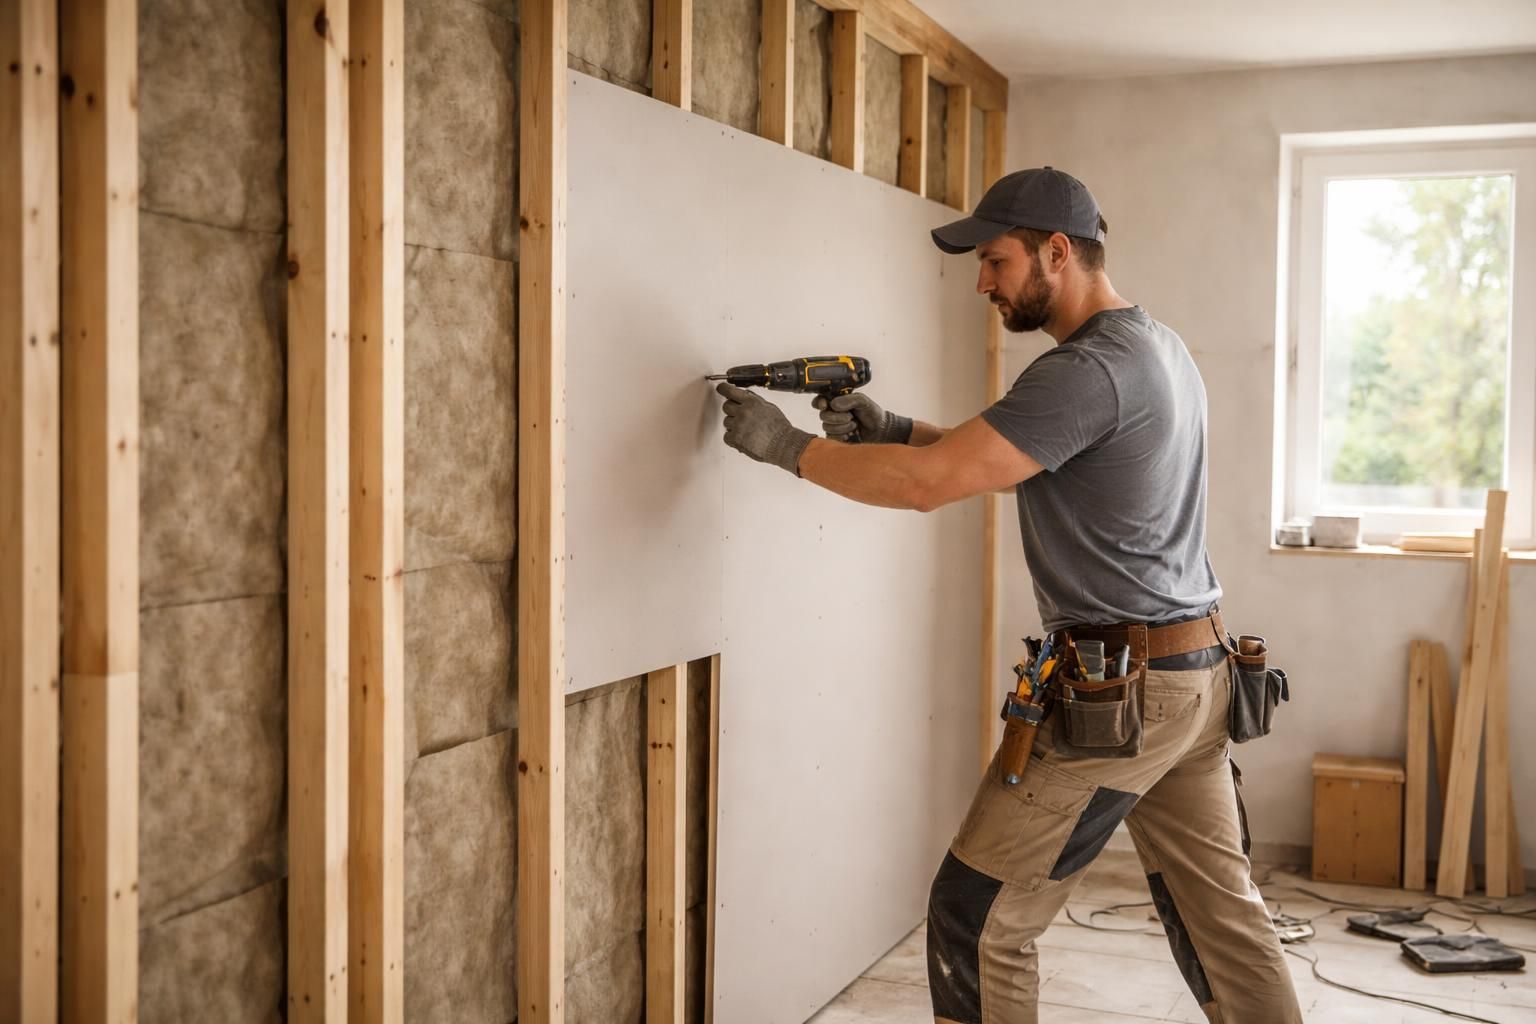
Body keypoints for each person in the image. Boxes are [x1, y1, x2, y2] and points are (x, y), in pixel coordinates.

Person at [715, 167, 1301, 1024]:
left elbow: (929, 488)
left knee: (976, 915)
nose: (983, 282)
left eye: (995, 261)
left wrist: (787, 449)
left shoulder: (1087, 369)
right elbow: (1012, 454)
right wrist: (895, 430)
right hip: (1199, 675)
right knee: (1221, 918)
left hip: (1127, 694)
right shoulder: (1155, 346)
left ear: (1056, 253)